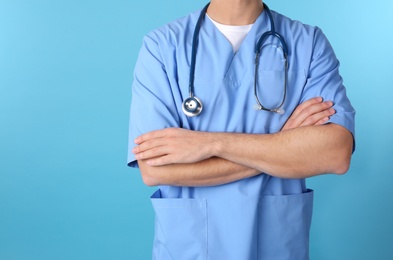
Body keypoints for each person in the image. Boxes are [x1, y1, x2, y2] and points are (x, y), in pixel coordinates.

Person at [128, 0, 355, 259]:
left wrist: (212, 144)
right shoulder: (162, 46)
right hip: (190, 248)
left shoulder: (308, 43)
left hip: (275, 246)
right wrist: (282, 144)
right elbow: (154, 169)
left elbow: (335, 154)